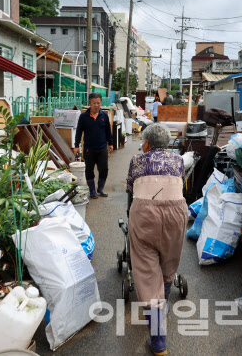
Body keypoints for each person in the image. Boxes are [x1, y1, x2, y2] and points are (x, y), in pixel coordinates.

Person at [126, 123, 187, 355]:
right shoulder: (178, 160)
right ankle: (165, 304)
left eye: (143, 141)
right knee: (169, 263)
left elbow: (130, 188)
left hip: (145, 214)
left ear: (148, 144)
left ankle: (158, 340)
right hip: (176, 213)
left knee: (146, 270)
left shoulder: (137, 160)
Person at [73, 93, 113, 199]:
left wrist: (111, 143)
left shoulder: (104, 115)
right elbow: (78, 132)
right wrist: (76, 146)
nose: (96, 105)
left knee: (104, 169)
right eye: (94, 103)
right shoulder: (83, 117)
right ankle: (92, 191)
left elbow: (108, 130)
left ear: (101, 103)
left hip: (102, 148)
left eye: (98, 103)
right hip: (89, 149)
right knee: (89, 170)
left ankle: (100, 188)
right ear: (89, 103)